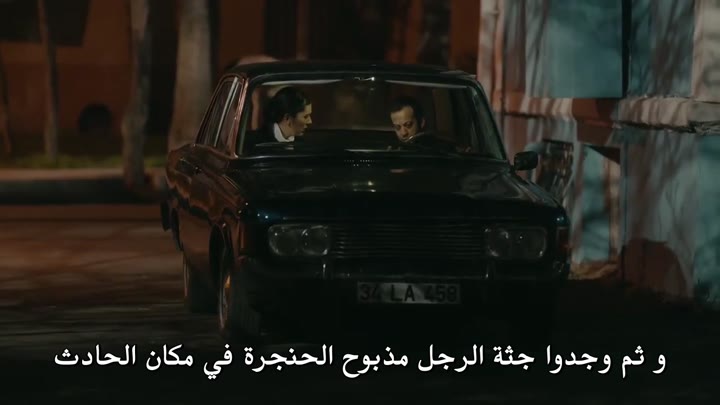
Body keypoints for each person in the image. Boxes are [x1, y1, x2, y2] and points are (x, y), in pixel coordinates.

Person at [245, 86, 313, 151]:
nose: (310, 121)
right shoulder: (255, 143)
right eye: (305, 116)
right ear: (287, 118)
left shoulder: (305, 145)